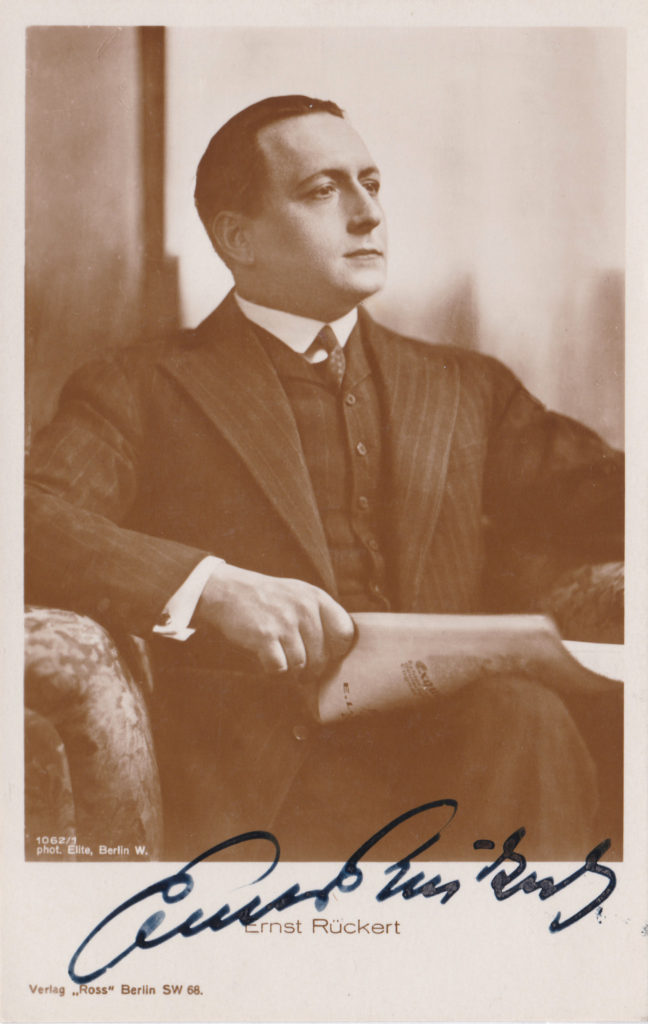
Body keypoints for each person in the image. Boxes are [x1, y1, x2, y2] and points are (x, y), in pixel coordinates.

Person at [25, 95, 623, 863]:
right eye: (322, 190)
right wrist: (207, 588)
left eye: (371, 183)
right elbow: (29, 518)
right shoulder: (139, 385)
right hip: (267, 787)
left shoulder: (466, 386)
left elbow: (603, 498)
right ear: (237, 237)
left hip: (472, 755)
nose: (368, 213)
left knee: (522, 718)